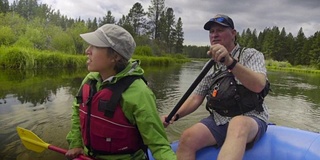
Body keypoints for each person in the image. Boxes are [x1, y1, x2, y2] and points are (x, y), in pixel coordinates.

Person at [162, 14, 269, 160]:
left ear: (233, 34)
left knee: (237, 124)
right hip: (220, 118)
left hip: (251, 117)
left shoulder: (251, 55)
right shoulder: (209, 66)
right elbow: (196, 98)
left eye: (220, 30)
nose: (214, 35)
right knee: (187, 137)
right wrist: (174, 115)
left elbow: (259, 85)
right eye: (211, 31)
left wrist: (229, 61)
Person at [65, 24, 176, 160]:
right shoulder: (90, 80)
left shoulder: (139, 93)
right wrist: (76, 143)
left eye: (95, 46)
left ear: (115, 56)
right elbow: (78, 110)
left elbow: (159, 145)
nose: (87, 50)